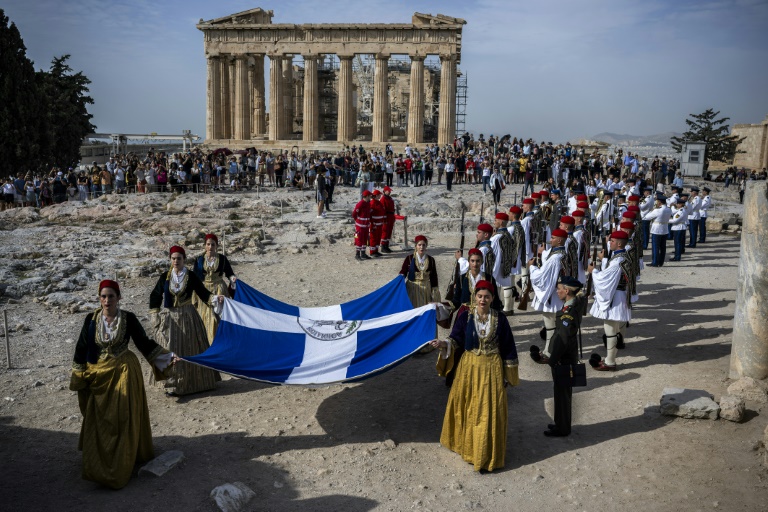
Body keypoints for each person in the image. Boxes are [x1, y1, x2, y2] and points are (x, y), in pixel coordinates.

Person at [70, 279, 175, 489]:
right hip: (99, 374)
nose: (107, 300)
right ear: (99, 298)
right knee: (99, 418)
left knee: (123, 417)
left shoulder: (128, 318)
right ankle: (99, 461)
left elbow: (143, 343)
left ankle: (124, 458)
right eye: (103, 296)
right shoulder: (91, 319)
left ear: (119, 298)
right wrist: (79, 374)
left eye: (111, 296)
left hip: (125, 372)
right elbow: (81, 348)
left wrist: (167, 357)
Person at [429, 280, 519, 472]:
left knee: (487, 412)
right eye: (479, 296)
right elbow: (455, 339)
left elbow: (509, 347)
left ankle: (486, 455)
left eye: (487, 296)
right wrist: (443, 344)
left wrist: (508, 374)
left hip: (491, 369)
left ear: (493, 298)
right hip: (469, 368)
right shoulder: (466, 317)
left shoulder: (500, 319)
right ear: (474, 297)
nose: (483, 300)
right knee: (469, 407)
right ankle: (468, 448)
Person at [149, 246, 223, 396]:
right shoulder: (165, 277)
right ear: (170, 260)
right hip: (170, 317)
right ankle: (171, 383)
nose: (176, 261)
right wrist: (155, 313)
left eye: (179, 258)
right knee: (168, 347)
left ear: (184, 259)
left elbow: (203, 293)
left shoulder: (190, 276)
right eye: (173, 258)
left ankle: (194, 383)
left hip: (188, 316)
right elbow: (155, 295)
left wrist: (215, 299)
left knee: (190, 347)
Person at [586, 231, 636, 371]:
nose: (610, 243)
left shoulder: (618, 260)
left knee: (610, 329)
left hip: (615, 297)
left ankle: (610, 362)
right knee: (613, 328)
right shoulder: (621, 256)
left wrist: (593, 271)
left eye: (612, 241)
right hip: (619, 295)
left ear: (619, 243)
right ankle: (610, 359)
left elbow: (605, 279)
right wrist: (604, 260)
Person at [545, 276, 585, 437]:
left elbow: (562, 339)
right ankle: (559, 423)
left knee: (562, 395)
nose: (557, 291)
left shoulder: (568, 312)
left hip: (564, 359)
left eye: (559, 288)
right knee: (561, 393)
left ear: (567, 291)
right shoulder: (574, 304)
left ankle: (562, 428)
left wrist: (552, 360)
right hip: (567, 356)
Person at [527, 229, 567, 363]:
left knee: (550, 325)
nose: (551, 240)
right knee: (554, 325)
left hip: (553, 295)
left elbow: (542, 275)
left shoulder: (556, 257)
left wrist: (532, 268)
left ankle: (549, 353)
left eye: (554, 238)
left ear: (560, 240)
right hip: (558, 292)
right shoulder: (561, 254)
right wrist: (542, 253)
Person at [192, 234, 237, 344]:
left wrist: (232, 278)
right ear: (204, 245)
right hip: (204, 291)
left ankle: (221, 342)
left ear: (216, 246)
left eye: (213, 244)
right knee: (206, 317)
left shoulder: (222, 259)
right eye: (208, 244)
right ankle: (208, 344)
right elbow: (194, 277)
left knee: (219, 318)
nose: (210, 247)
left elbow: (229, 273)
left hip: (219, 289)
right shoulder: (199, 260)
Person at [399, 235, 440, 307]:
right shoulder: (409, 258)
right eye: (419, 245)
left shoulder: (431, 260)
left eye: (424, 245)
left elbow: (434, 276)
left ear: (426, 246)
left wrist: (435, 291)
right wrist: (399, 279)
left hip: (426, 289)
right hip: (413, 288)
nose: (421, 247)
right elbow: (403, 272)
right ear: (416, 246)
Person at [642, 192, 671, 267]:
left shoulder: (657, 210)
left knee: (655, 247)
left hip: (657, 229)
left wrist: (653, 209)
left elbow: (647, 217)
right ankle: (661, 262)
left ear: (659, 202)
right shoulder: (668, 209)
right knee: (663, 247)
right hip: (664, 229)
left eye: (657, 201)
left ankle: (655, 262)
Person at [352, 190, 372, 260]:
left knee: (365, 239)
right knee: (358, 239)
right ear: (366, 196)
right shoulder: (360, 204)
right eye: (370, 196)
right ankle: (357, 254)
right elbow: (354, 214)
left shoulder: (368, 204)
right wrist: (358, 222)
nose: (370, 197)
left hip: (366, 226)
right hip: (360, 226)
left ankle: (363, 253)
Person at [668, 197, 688, 262]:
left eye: (677, 204)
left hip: (678, 228)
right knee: (678, 243)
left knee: (677, 243)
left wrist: (666, 220)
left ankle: (677, 257)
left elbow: (675, 220)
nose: (676, 205)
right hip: (679, 227)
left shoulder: (681, 211)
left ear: (680, 204)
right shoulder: (681, 210)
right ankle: (677, 256)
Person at [379, 186, 396, 253]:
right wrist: (384, 218)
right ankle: (383, 246)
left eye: (390, 191)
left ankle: (387, 245)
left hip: (391, 216)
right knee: (385, 231)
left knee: (389, 231)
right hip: (386, 216)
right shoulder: (383, 199)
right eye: (388, 191)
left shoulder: (390, 198)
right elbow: (383, 209)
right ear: (385, 191)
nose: (389, 192)